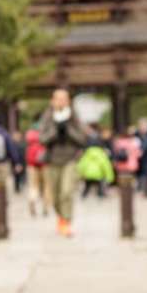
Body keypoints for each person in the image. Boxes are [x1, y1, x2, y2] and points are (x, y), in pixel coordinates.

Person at [39, 89, 86, 237]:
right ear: (52, 101)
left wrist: (68, 130)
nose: (61, 102)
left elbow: (82, 139)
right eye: (58, 99)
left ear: (68, 101)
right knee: (54, 196)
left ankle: (66, 221)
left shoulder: (74, 117)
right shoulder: (48, 116)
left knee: (66, 192)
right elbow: (42, 139)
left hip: (71, 159)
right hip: (52, 160)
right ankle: (60, 217)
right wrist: (55, 131)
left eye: (64, 99)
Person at [25, 124, 50, 216]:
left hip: (32, 165)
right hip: (45, 164)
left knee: (33, 186)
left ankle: (32, 200)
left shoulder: (30, 134)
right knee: (46, 186)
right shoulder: (46, 132)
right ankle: (45, 207)